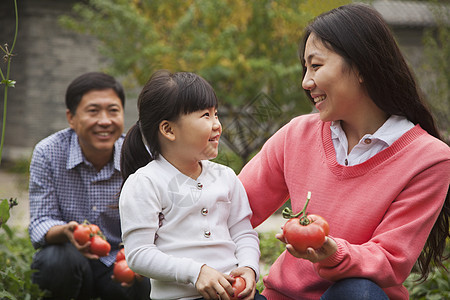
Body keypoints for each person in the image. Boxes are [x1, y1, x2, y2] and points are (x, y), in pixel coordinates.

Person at [238, 3, 450, 300]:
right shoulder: (296, 134)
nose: (306, 82)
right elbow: (233, 208)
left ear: (362, 67)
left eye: (316, 66)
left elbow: (391, 259)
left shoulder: (429, 160)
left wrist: (332, 252)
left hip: (357, 295)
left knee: (358, 290)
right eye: (305, 68)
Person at [119, 70, 264, 300]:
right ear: (168, 130)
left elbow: (243, 233)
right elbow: (138, 254)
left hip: (232, 293)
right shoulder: (145, 183)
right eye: (206, 115)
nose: (217, 125)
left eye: (216, 114)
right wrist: (195, 273)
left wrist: (248, 268)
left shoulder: (225, 177)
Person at [28, 72, 151, 300]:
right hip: (70, 257)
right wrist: (66, 232)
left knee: (146, 275)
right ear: (71, 118)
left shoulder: (137, 156)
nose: (104, 121)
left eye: (113, 111)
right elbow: (40, 221)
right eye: (93, 111)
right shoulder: (48, 152)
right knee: (56, 260)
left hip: (118, 262)